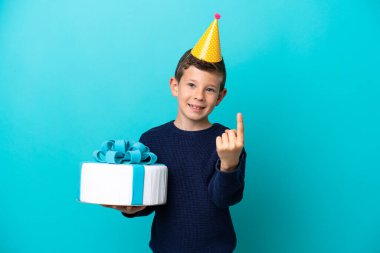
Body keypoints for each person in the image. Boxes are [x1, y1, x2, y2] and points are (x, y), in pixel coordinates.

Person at [103, 14, 247, 253]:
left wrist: (228, 165)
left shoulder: (228, 143)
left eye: (209, 89)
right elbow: (150, 201)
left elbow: (224, 199)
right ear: (175, 86)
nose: (199, 95)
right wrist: (133, 207)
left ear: (220, 97)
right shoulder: (151, 141)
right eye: (191, 85)